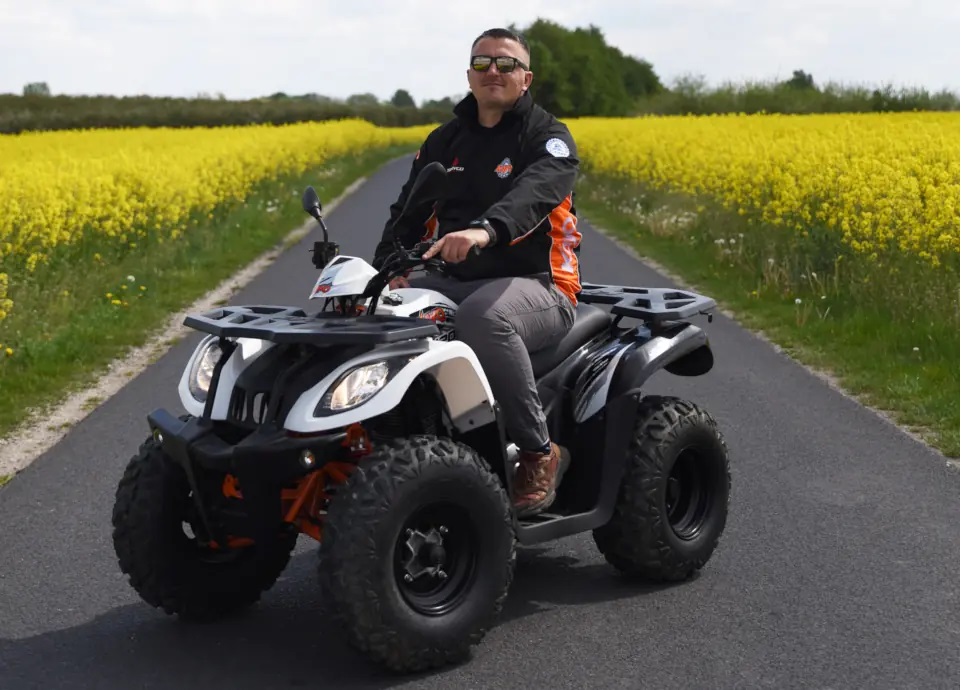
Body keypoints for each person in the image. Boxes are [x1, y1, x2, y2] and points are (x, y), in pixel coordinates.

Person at [372, 27, 583, 517]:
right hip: (455, 281)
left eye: (507, 64)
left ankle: (538, 452)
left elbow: (533, 196)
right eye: (482, 62)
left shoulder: (547, 138)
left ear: (526, 78)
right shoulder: (445, 140)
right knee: (374, 313)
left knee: (482, 319)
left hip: (540, 285)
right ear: (469, 74)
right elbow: (409, 211)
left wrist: (485, 232)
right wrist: (388, 268)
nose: (494, 71)